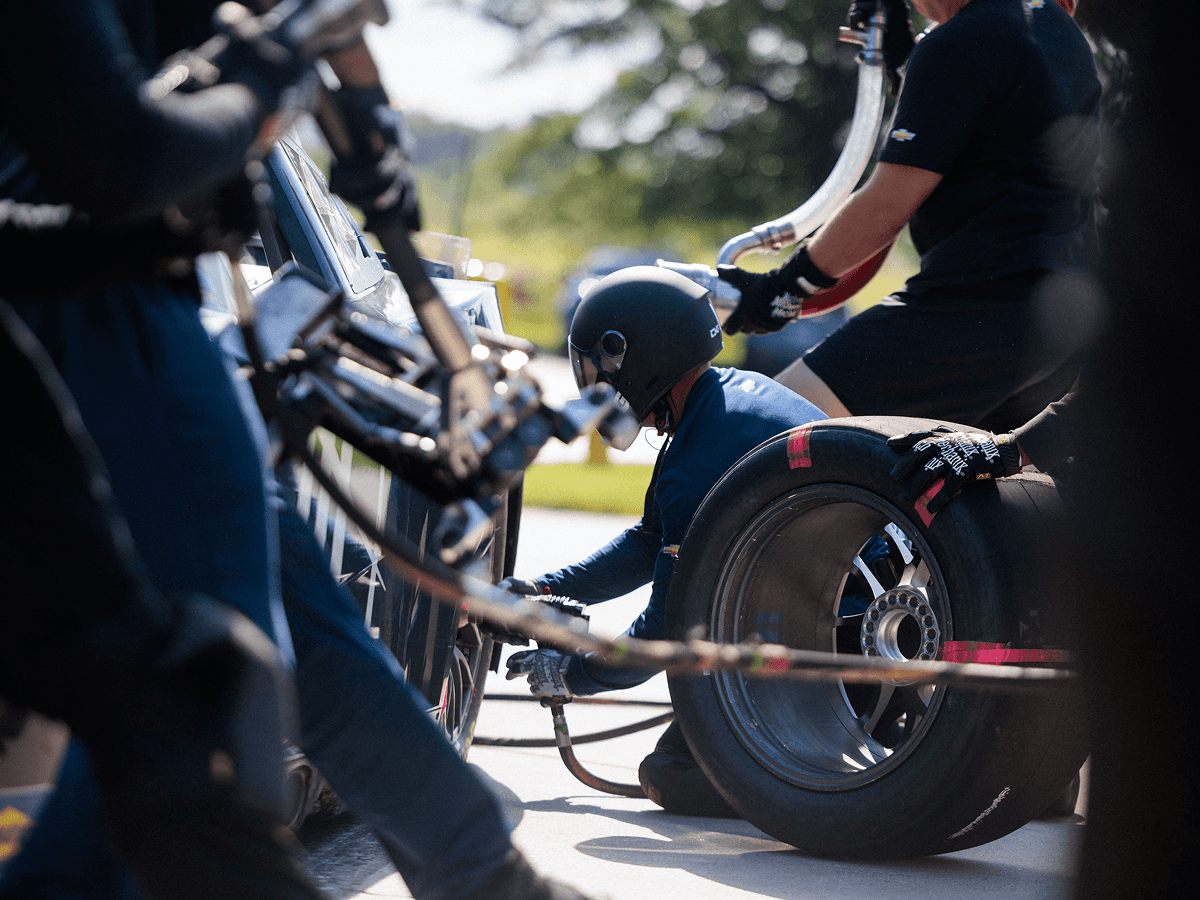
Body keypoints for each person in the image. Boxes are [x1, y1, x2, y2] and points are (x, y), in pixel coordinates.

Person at [1, 4, 594, 899]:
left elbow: (315, 35)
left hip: (112, 308)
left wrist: (343, 106)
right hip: (98, 311)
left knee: (298, 626)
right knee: (202, 685)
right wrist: (267, 76)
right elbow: (119, 152)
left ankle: (484, 874)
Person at [501, 266, 824, 816]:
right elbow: (652, 541)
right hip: (816, 623)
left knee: (669, 777)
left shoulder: (695, 460)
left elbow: (667, 630)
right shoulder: (723, 404)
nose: (593, 389)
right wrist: (544, 587)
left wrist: (576, 673)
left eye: (595, 371)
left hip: (829, 655)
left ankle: (808, 782)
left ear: (631, 356)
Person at [718, 0, 1099, 434]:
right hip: (1064, 318)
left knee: (757, 433)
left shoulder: (956, 45)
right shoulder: (1057, 30)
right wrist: (907, 64)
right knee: (935, 483)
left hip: (976, 306)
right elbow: (985, 113)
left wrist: (783, 288)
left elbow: (888, 203)